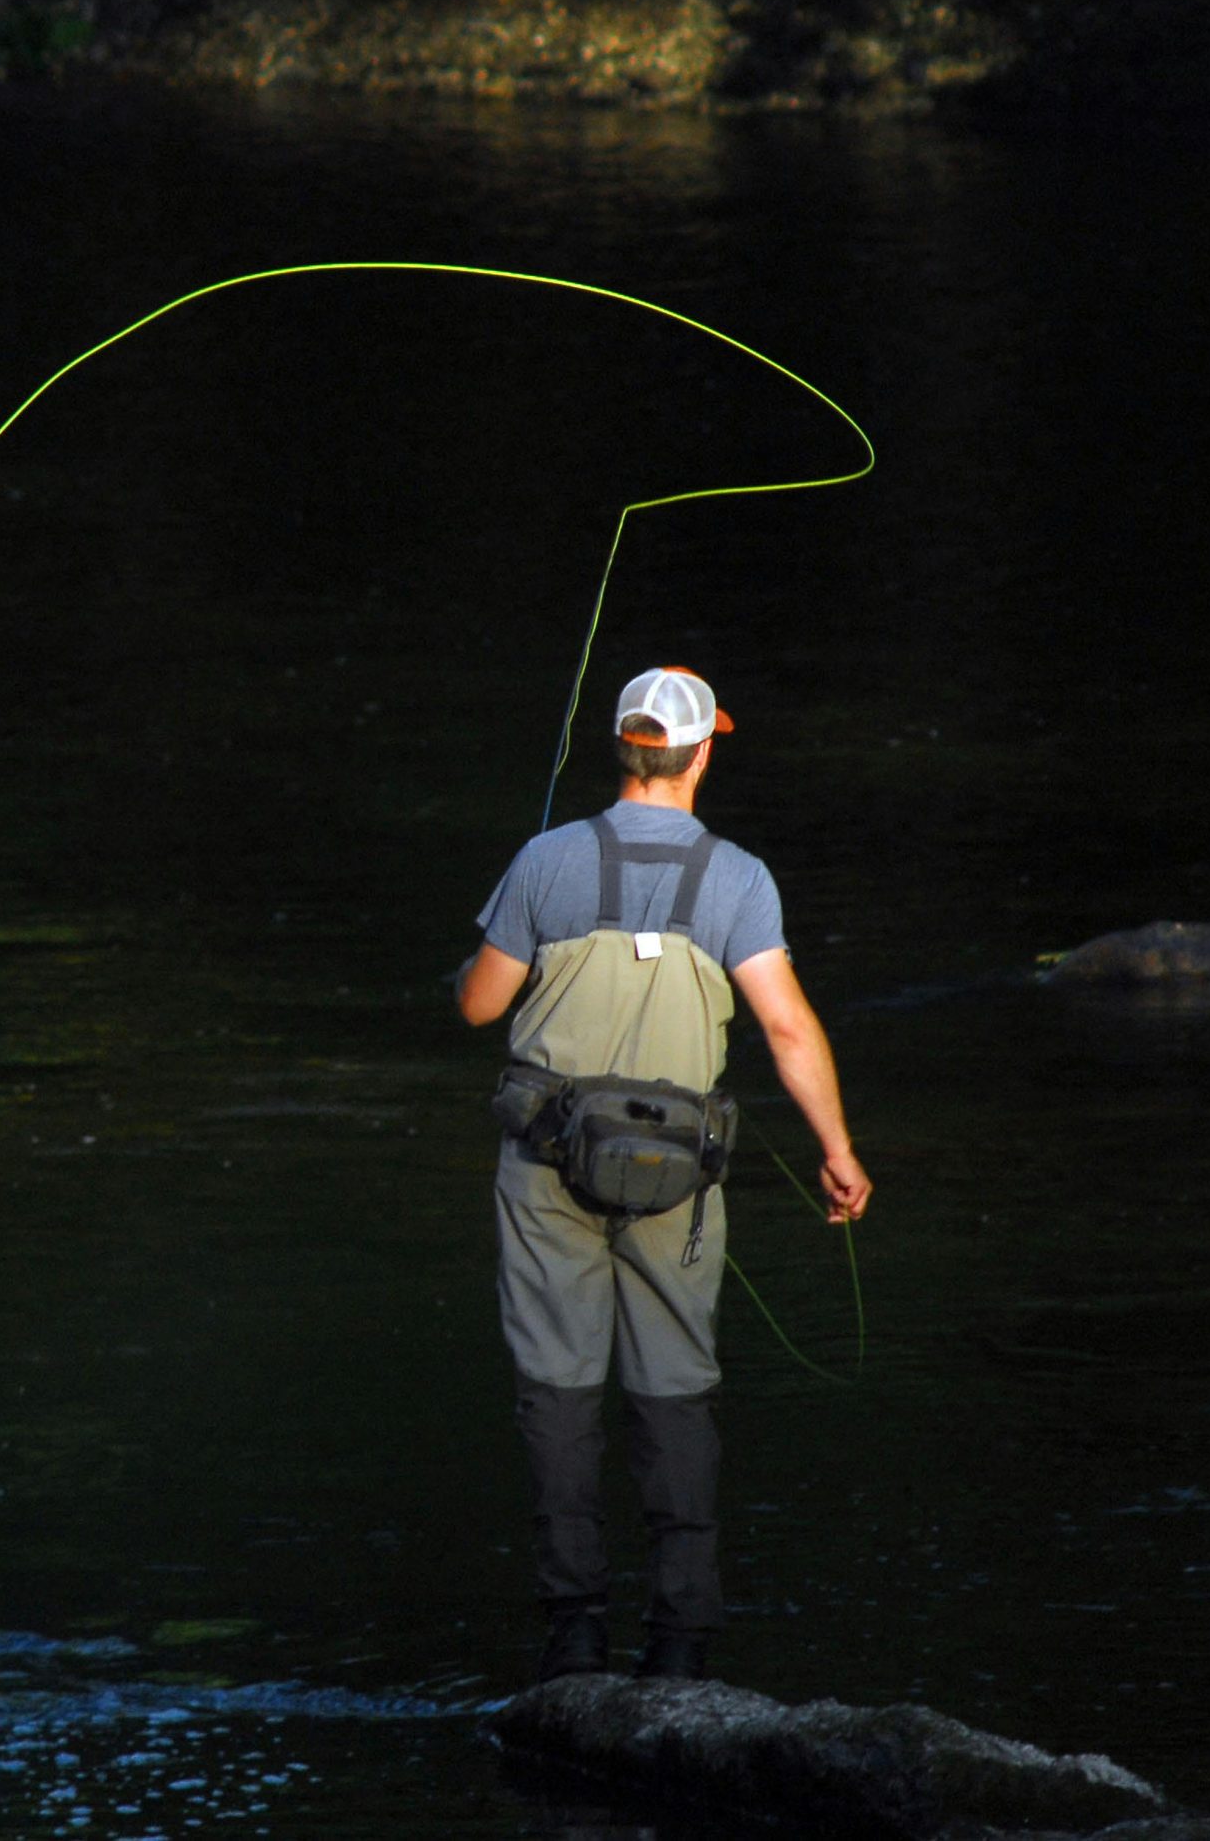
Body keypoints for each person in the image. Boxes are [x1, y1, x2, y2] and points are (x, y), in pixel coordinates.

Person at [455, 664, 871, 1684]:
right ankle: (680, 1644)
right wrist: (837, 1150)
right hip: (681, 1183)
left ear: (620, 747)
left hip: (546, 1169)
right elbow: (783, 1024)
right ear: (701, 751)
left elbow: (476, 1008)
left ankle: (573, 1637)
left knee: (557, 1392)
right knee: (674, 1390)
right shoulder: (736, 878)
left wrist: (469, 968)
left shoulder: (545, 861)